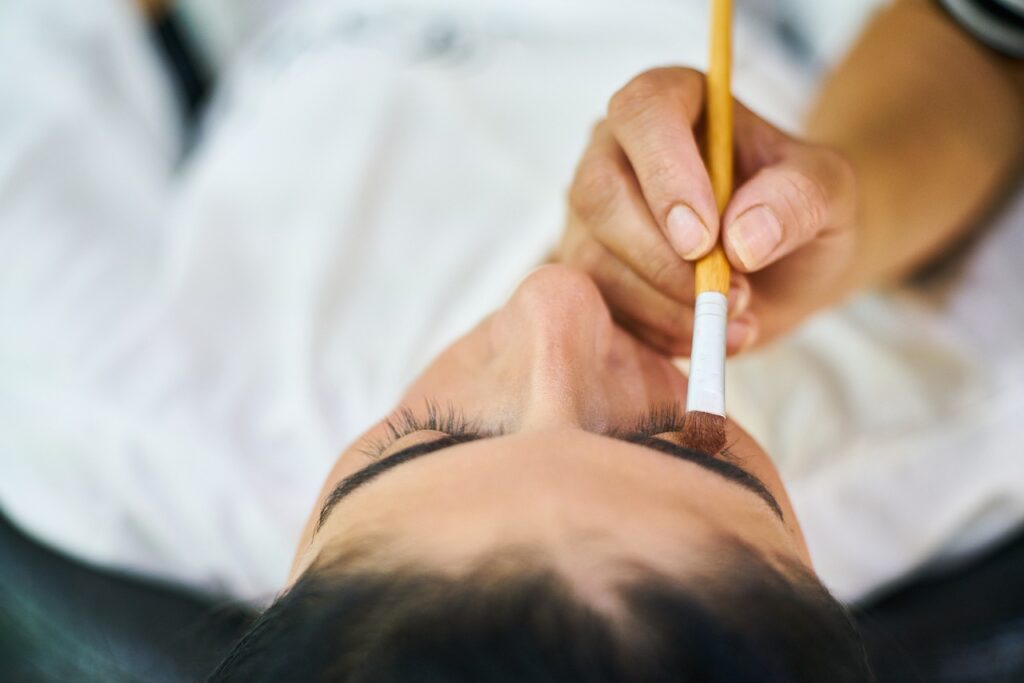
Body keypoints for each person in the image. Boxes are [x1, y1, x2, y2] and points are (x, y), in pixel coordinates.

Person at [0, 0, 1021, 678]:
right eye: (673, 434)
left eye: (424, 429)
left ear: (290, 566)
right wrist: (860, 202)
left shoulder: (93, 398)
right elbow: (982, 43)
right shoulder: (962, 421)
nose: (551, 300)